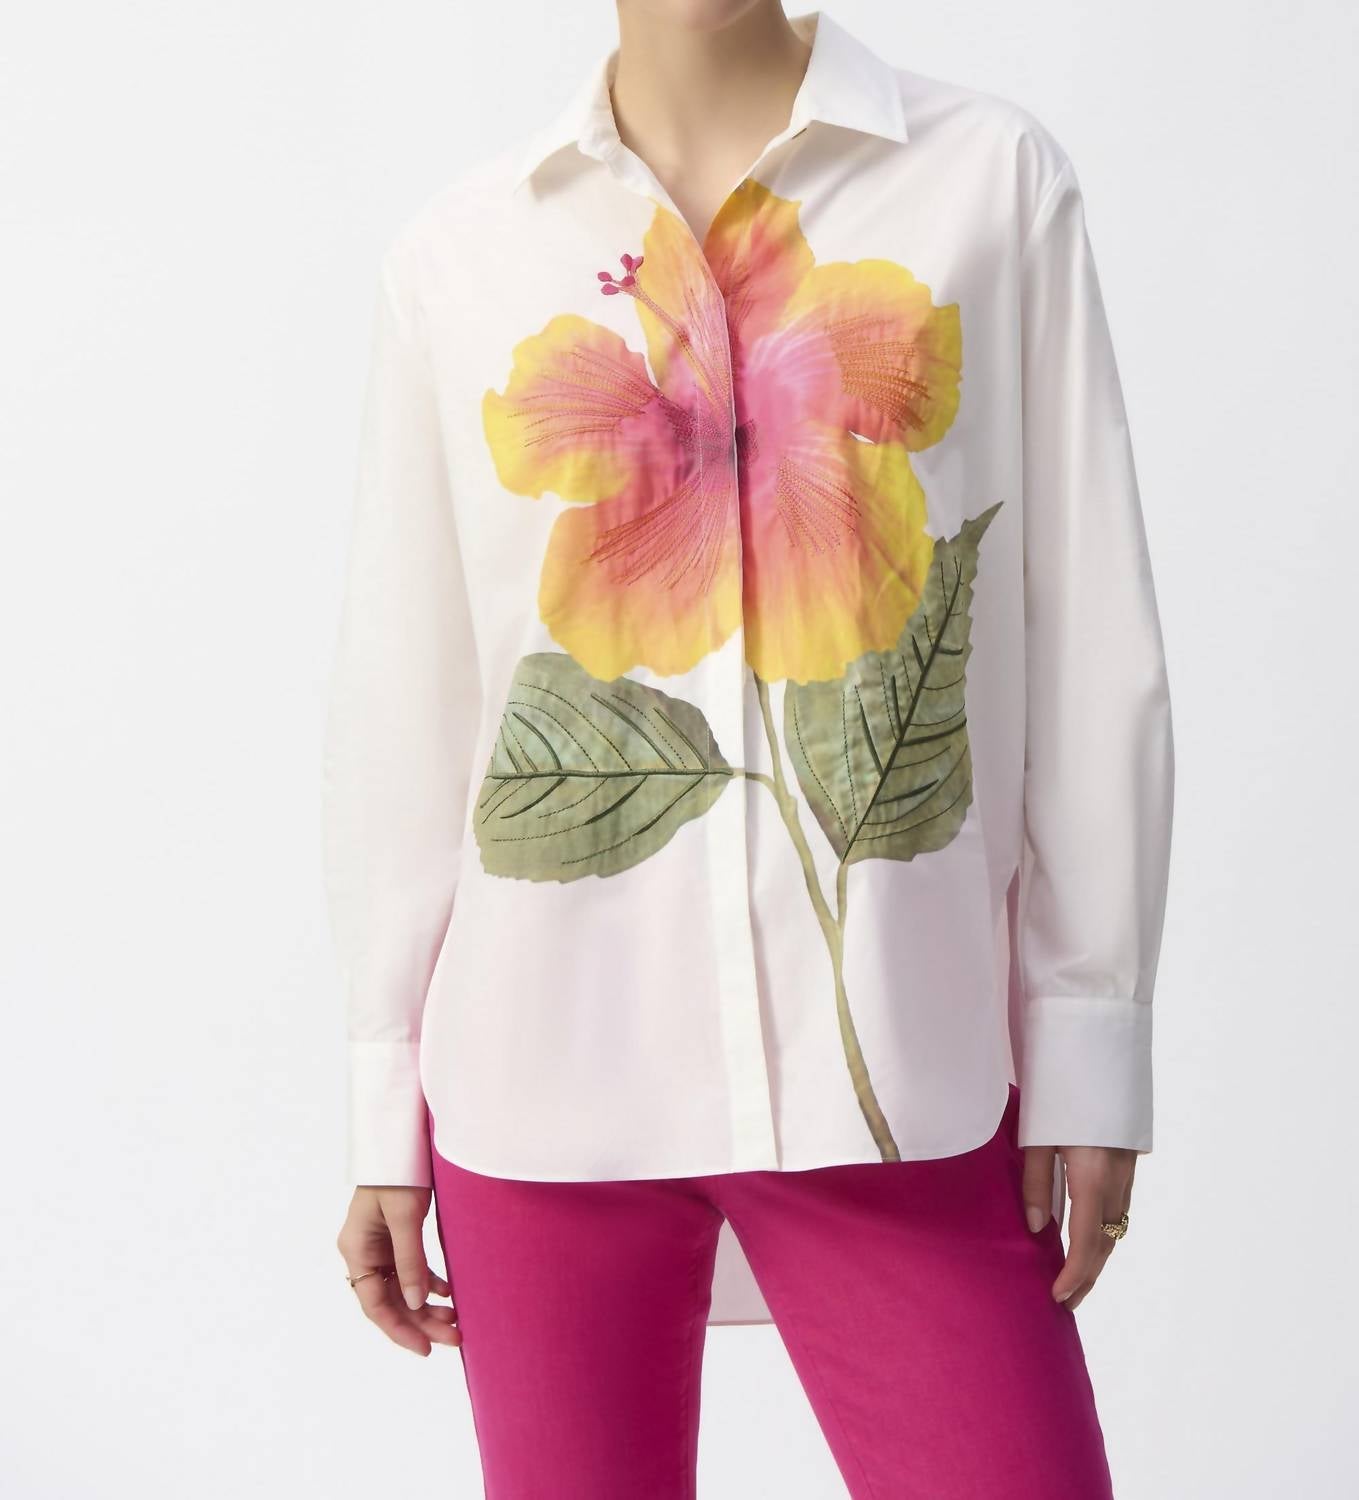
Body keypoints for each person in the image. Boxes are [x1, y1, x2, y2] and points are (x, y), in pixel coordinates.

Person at [324, 3, 1175, 1496]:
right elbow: (411, 704)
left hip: (894, 1073)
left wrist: (1090, 1036)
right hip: (539, 1094)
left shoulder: (987, 181)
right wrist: (384, 1099)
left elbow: (1092, 639)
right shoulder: (457, 257)